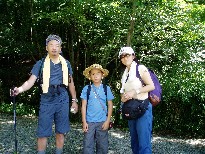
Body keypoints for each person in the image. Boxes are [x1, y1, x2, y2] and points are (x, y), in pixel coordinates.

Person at [11, 34, 78, 154]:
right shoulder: (40, 64)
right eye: (51, 45)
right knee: (43, 132)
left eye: (57, 45)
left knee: (61, 131)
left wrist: (74, 100)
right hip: (47, 99)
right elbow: (31, 81)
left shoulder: (66, 64)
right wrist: (19, 89)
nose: (54, 48)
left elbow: (70, 82)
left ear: (60, 48)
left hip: (62, 98)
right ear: (46, 48)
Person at [119, 47, 155, 154]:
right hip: (131, 109)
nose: (125, 58)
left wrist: (135, 92)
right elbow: (123, 92)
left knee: (144, 143)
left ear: (133, 56)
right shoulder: (125, 73)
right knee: (134, 143)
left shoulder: (140, 68)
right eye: (122, 56)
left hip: (143, 108)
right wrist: (123, 97)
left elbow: (151, 86)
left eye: (127, 55)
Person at [80, 64, 114, 154]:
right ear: (90, 76)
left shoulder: (106, 89)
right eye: (93, 74)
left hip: (102, 121)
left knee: (103, 146)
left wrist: (107, 121)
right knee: (87, 145)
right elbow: (83, 106)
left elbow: (110, 105)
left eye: (98, 73)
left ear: (102, 75)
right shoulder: (86, 89)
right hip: (89, 121)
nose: (96, 76)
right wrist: (84, 121)